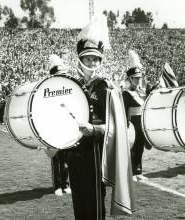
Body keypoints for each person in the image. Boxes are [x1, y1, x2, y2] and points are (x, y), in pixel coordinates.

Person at [66, 18, 134, 220]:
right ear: (80, 59)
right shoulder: (72, 86)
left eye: (96, 59)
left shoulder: (106, 87)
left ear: (100, 61)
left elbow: (118, 127)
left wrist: (94, 130)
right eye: (88, 59)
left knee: (94, 204)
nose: (92, 63)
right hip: (73, 150)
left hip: (94, 152)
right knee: (78, 202)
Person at [122, 50, 148, 182]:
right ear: (130, 79)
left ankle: (138, 171)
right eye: (135, 78)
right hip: (131, 123)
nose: (138, 80)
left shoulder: (142, 93)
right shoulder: (125, 94)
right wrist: (126, 125)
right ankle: (130, 172)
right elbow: (124, 111)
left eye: (139, 78)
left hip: (141, 123)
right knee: (131, 148)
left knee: (140, 147)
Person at [48, 54, 71, 196]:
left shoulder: (69, 89)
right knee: (56, 158)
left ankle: (66, 183)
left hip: (66, 126)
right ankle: (57, 185)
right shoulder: (48, 90)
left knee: (67, 157)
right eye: (59, 75)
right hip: (54, 127)